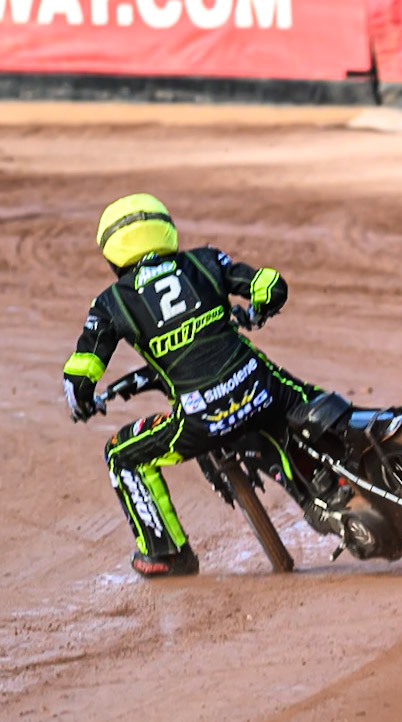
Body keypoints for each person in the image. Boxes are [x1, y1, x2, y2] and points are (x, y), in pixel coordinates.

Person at [63, 193, 319, 577]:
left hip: (201, 419)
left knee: (122, 455)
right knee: (309, 399)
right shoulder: (205, 260)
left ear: (112, 253)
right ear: (165, 229)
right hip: (262, 387)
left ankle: (165, 553)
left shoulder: (110, 303)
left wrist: (81, 403)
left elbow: (80, 376)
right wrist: (257, 312)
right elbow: (269, 284)